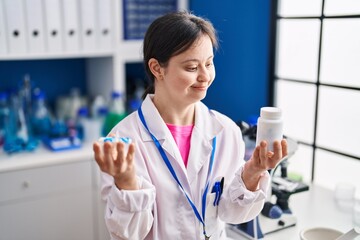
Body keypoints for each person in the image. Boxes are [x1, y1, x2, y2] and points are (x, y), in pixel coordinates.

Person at [93, 11, 288, 240]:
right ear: (157, 68)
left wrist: (254, 171)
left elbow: (231, 213)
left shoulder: (226, 131)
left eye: (209, 63)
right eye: (192, 68)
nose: (205, 76)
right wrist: (127, 182)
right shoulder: (124, 139)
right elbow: (129, 234)